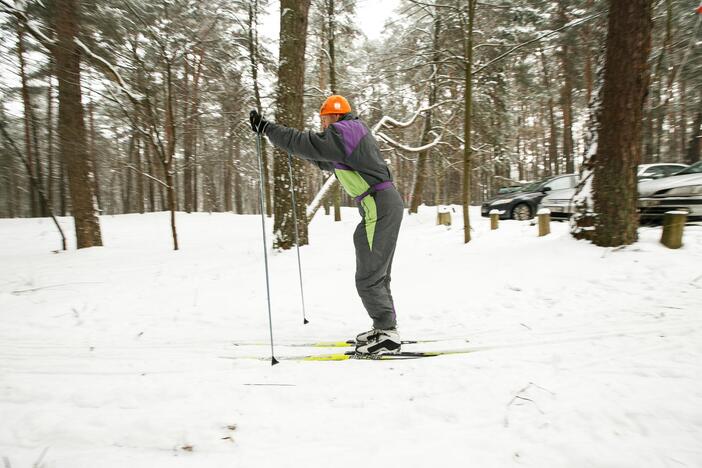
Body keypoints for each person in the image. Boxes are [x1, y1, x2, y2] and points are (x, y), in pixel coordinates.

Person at [249, 95, 404, 355]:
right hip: (378, 206)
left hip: (381, 206)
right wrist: (284, 143)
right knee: (374, 271)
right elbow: (317, 155)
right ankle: (384, 328)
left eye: (324, 119)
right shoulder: (347, 136)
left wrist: (268, 128)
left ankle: (388, 332)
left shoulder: (347, 130)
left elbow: (309, 143)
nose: (322, 124)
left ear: (336, 115)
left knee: (369, 276)